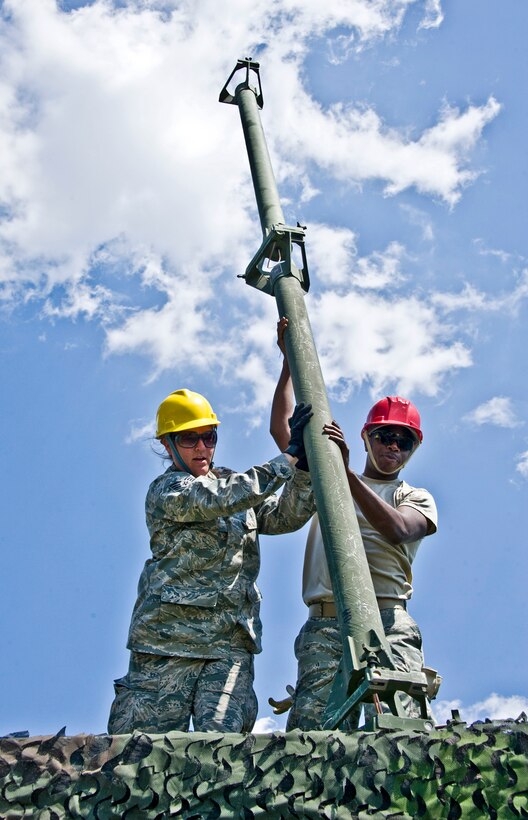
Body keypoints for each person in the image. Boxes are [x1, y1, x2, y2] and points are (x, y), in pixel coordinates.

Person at [108, 388, 315, 734]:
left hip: (229, 646)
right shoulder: (168, 490)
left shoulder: (231, 484)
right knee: (141, 754)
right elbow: (219, 498)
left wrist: (305, 469)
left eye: (209, 436)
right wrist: (288, 456)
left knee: (224, 754)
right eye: (190, 439)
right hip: (168, 645)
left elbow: (282, 517)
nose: (202, 447)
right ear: (167, 443)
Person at [270, 319, 438, 730]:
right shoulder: (327, 479)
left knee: (402, 730)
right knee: (315, 735)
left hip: (388, 619)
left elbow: (399, 529)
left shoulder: (412, 497)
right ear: (366, 437)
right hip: (327, 622)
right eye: (384, 437)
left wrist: (343, 475)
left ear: (415, 448)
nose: (393, 447)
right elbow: (282, 429)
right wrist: (290, 365)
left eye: (404, 441)